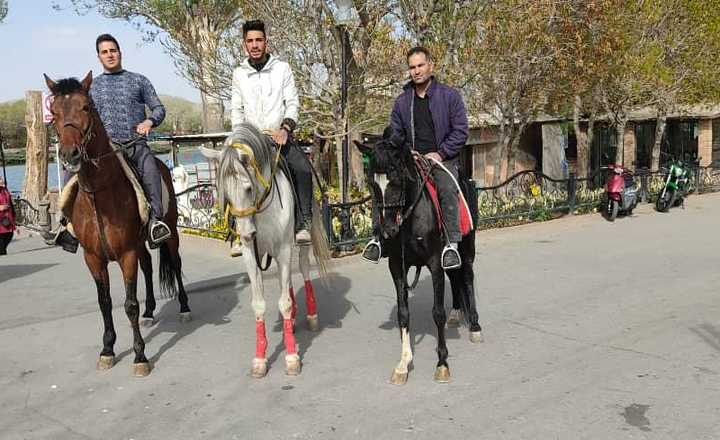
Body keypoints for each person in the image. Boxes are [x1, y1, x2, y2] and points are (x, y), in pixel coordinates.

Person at [363, 46, 469, 270]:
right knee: (382, 186)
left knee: (447, 187)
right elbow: (393, 132)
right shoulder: (403, 101)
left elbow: (461, 131)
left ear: (430, 65)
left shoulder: (450, 96)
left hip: (442, 159)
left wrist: (440, 152)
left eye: (420, 65)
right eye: (412, 67)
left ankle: (451, 245)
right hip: (411, 159)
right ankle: (378, 239)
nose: (417, 71)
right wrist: (404, 150)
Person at [230, 19, 311, 256]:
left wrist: (285, 128)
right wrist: (240, 137)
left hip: (278, 138)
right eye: (250, 41)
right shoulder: (239, 74)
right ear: (244, 44)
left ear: (266, 41)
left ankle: (303, 224)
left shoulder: (282, 68)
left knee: (303, 169)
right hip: (250, 141)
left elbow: (293, 103)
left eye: (258, 40)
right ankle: (234, 232)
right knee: (230, 175)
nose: (254, 45)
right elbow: (236, 110)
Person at [89, 33, 171, 246]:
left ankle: (156, 222)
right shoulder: (92, 87)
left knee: (151, 170)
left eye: (113, 50)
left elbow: (159, 107)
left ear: (120, 52)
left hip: (135, 145)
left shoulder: (138, 80)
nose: (109, 55)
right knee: (75, 169)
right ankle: (67, 224)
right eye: (104, 52)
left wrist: (149, 122)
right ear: (98, 57)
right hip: (106, 151)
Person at [0, 177, 16, 255]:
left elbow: (10, 202)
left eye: (1, 179)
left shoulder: (5, 190)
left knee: (10, 234)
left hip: (7, 217)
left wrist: (13, 214)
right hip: (1, 219)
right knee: (2, 238)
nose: (2, 180)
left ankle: (2, 250)